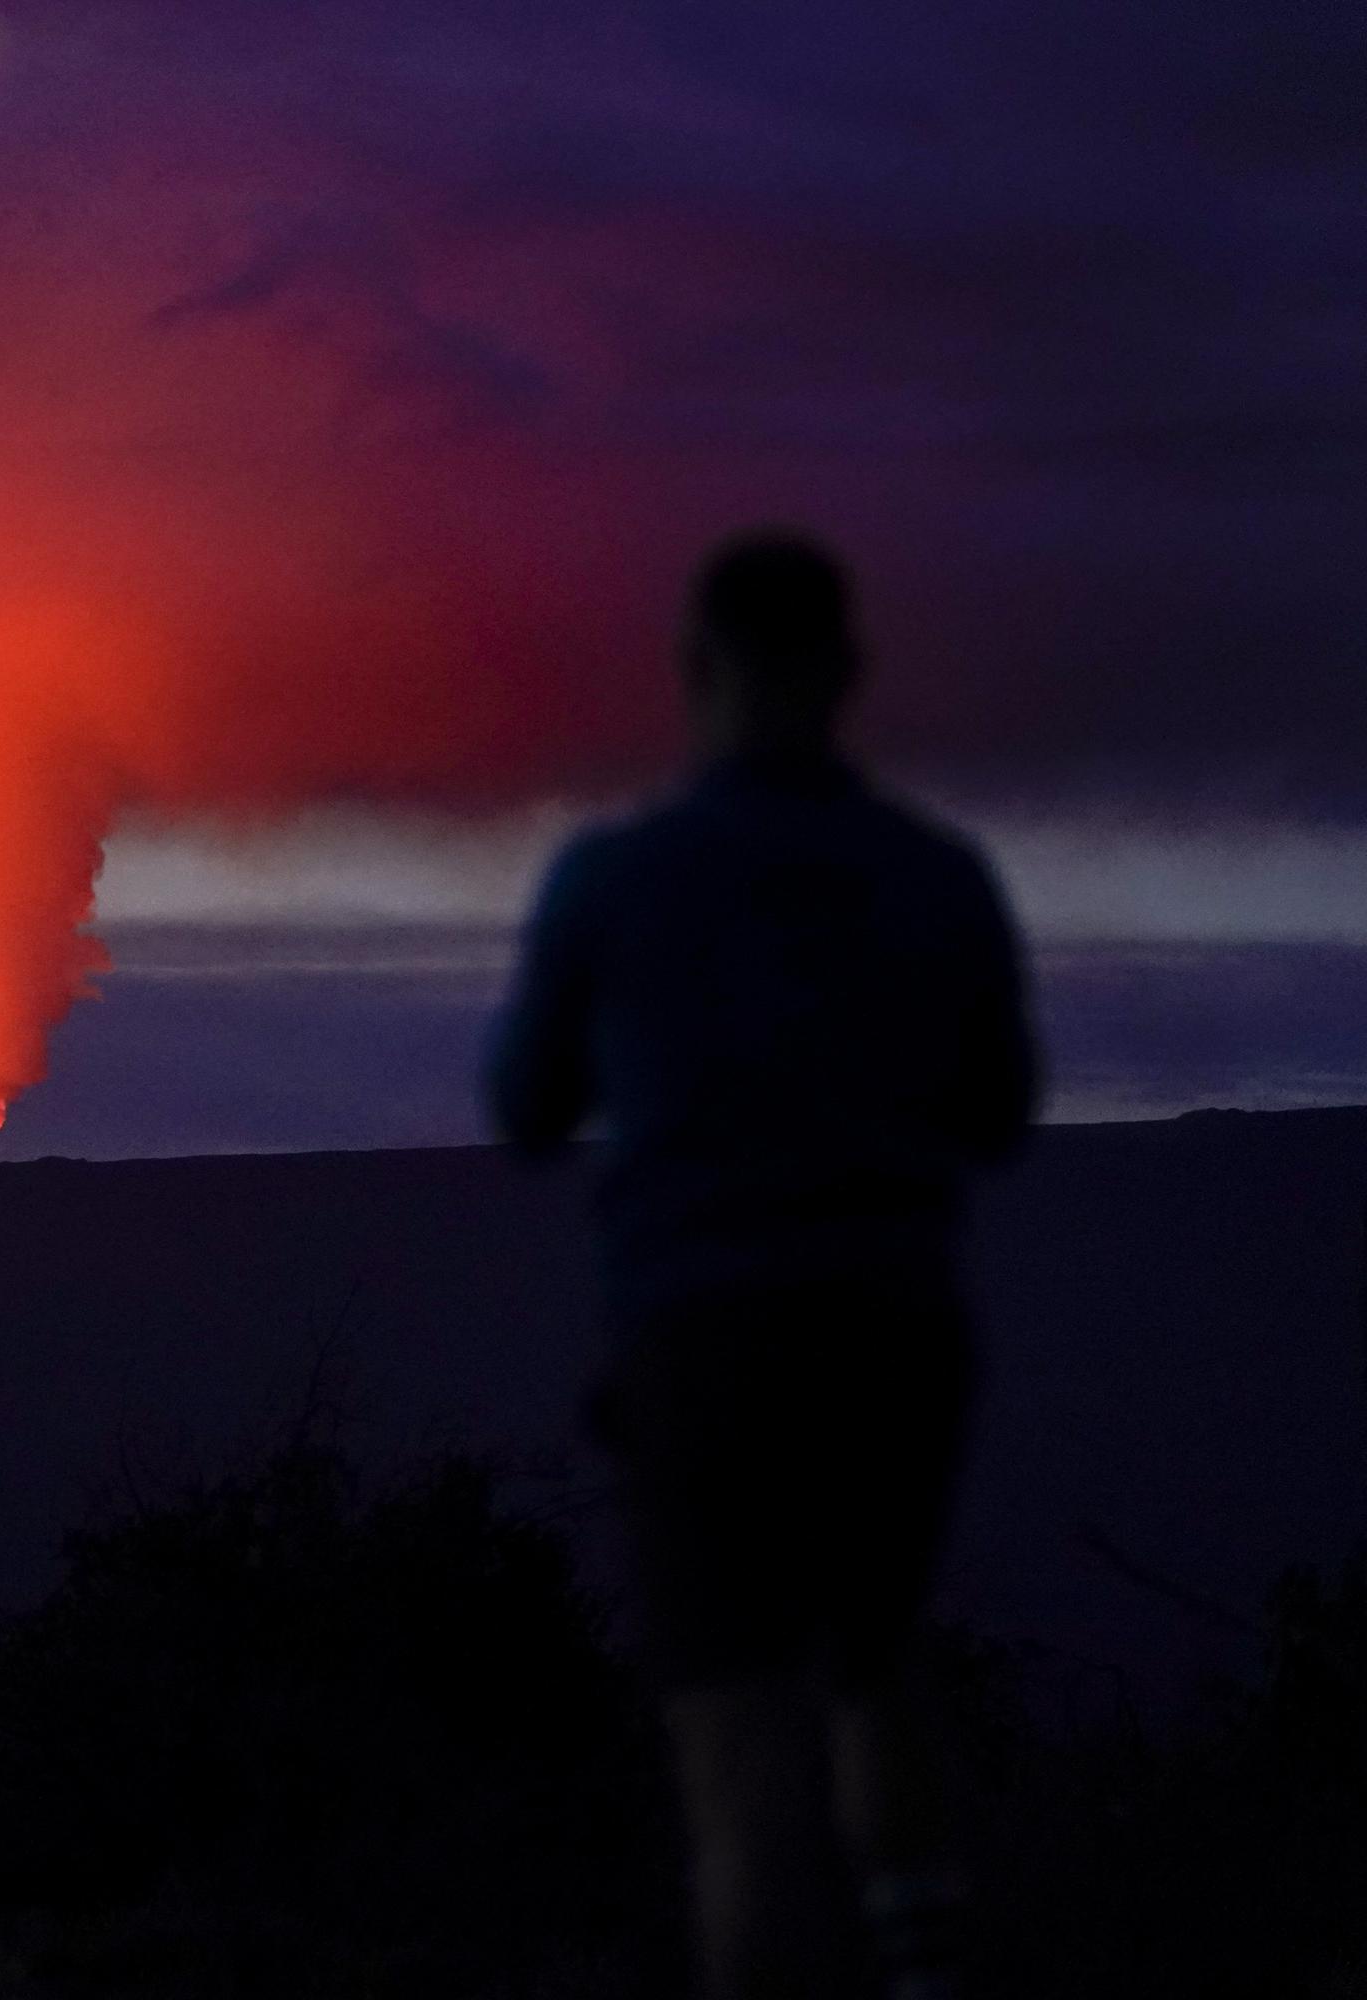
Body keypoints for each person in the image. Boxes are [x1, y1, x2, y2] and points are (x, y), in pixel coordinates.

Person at [486, 531, 1037, 2000]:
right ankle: (923, 1963)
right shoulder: (938, 877)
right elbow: (999, 1112)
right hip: (896, 1338)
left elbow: (524, 1111)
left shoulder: (613, 881)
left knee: (734, 1747)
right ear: (849, 673)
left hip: (704, 1343)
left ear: (691, 673)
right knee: (875, 1667)